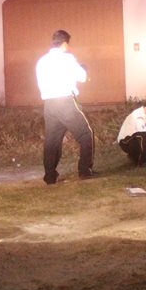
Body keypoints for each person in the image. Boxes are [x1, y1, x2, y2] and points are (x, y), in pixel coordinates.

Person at [34, 29, 94, 184]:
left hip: (49, 105)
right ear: (65, 44)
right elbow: (82, 77)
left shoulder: (41, 61)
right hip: (66, 102)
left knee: (52, 141)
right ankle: (84, 170)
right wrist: (83, 68)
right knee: (85, 134)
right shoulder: (67, 59)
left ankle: (50, 176)